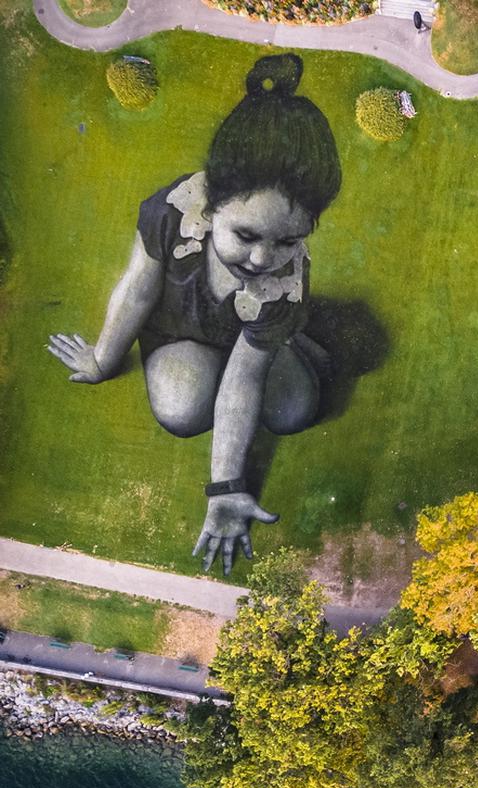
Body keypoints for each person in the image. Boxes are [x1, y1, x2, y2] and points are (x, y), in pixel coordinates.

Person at [47, 53, 341, 576]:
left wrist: (226, 487)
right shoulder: (172, 212)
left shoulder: (282, 282)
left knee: (296, 412)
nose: (260, 260)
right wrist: (102, 359)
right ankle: (253, 351)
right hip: (180, 329)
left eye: (288, 241)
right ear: (213, 206)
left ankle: (287, 340)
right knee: (182, 412)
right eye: (246, 235)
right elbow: (137, 290)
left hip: (249, 337)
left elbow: (244, 379)